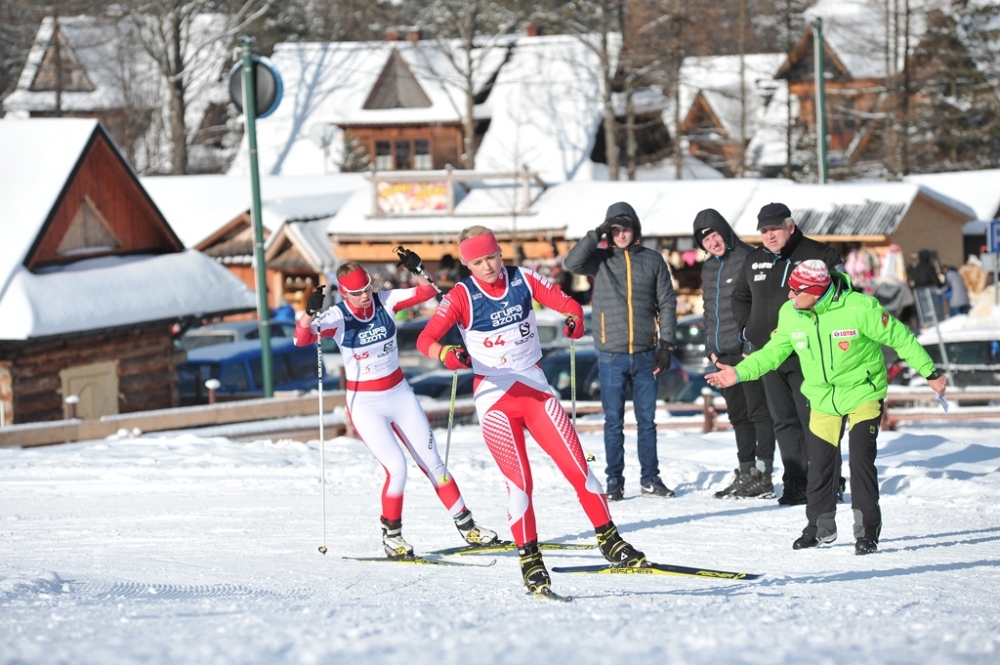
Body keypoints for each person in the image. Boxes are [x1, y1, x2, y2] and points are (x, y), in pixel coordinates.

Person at [417, 226, 647, 596]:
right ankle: (530, 559)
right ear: (466, 263)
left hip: (537, 392)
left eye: (491, 257)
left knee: (580, 470)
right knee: (521, 483)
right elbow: (425, 339)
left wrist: (575, 319)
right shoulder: (462, 295)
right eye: (477, 262)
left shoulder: (523, 279)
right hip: (494, 400)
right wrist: (446, 353)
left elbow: (568, 304)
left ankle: (610, 540)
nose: (487, 266)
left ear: (500, 253)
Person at [707, 260, 948, 555]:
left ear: (816, 290)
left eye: (796, 291)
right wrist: (739, 372)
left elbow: (902, 339)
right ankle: (820, 528)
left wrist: (931, 374)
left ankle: (867, 531)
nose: (790, 296)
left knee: (860, 461)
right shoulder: (791, 314)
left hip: (863, 393)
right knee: (819, 467)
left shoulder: (860, 308)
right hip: (822, 399)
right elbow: (771, 353)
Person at [293, 252, 500, 558]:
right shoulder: (337, 317)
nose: (365, 296)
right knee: (397, 468)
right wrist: (308, 314)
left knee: (435, 465)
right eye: (357, 292)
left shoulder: (385, 300)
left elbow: (427, 292)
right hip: (365, 403)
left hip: (400, 393)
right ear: (343, 293)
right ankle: (392, 536)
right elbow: (301, 339)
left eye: (367, 288)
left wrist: (419, 269)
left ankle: (468, 526)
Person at [563, 202, 678, 501]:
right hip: (611, 355)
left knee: (647, 422)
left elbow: (666, 302)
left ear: (635, 229)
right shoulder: (598, 260)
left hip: (645, 353)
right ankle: (614, 482)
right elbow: (570, 263)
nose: (621, 234)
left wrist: (666, 344)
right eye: (615, 229)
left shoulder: (652, 260)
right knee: (613, 422)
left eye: (625, 228)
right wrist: (596, 234)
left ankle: (650, 479)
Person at [731, 202, 843, 506]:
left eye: (775, 229)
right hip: (770, 354)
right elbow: (739, 296)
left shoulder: (819, 254)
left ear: (790, 226)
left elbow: (842, 294)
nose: (769, 236)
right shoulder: (754, 260)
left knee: (815, 418)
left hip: (808, 353)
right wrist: (746, 330)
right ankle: (795, 482)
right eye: (764, 231)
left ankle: (828, 481)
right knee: (783, 421)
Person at [692, 209, 776, 498]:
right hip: (722, 355)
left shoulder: (750, 258)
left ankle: (764, 475)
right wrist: (711, 351)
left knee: (758, 413)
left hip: (748, 353)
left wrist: (749, 347)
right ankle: (745, 471)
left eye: (715, 234)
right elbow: (707, 312)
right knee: (739, 416)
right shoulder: (708, 268)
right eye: (706, 239)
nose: (713, 242)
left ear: (724, 230)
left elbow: (761, 305)